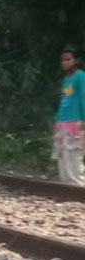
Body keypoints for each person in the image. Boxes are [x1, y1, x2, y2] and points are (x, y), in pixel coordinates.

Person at [53, 47, 85, 185]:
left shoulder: (81, 76)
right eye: (63, 60)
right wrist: (57, 119)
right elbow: (65, 98)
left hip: (75, 120)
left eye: (68, 59)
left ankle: (79, 184)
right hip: (63, 120)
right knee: (63, 153)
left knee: (74, 154)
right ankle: (66, 184)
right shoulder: (67, 79)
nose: (64, 62)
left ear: (76, 60)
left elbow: (83, 97)